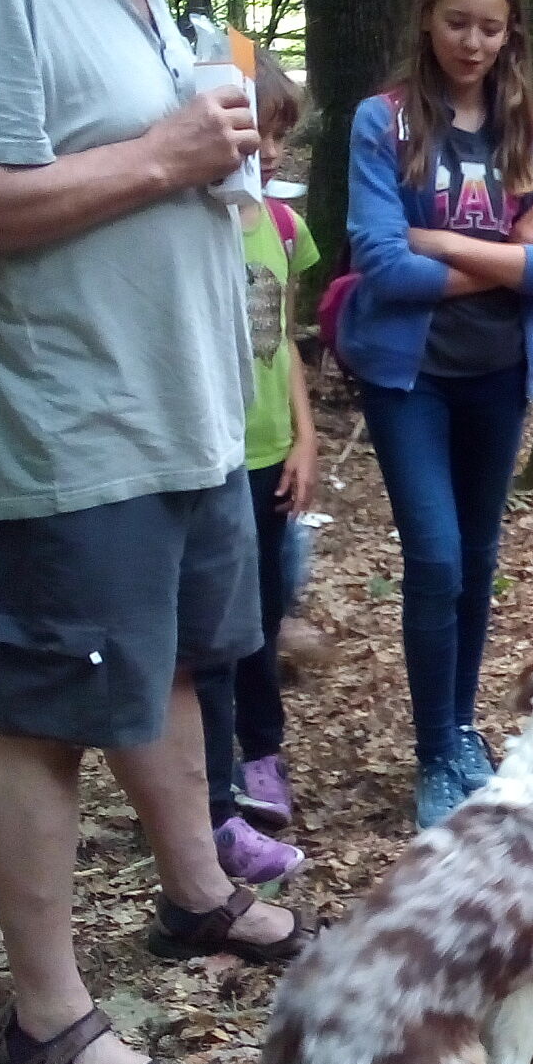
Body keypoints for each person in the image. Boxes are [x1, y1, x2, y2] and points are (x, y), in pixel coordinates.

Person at [0, 0, 313, 1064]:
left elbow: (162, 150)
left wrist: (201, 152)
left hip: (186, 404)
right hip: (75, 417)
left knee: (174, 661)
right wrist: (168, 157)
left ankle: (197, 893)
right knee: (50, 707)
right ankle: (47, 1014)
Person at [341, 0, 533, 829]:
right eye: (457, 23)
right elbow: (382, 267)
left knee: (477, 559)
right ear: (427, 19)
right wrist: (510, 256)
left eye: (490, 27)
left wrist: (442, 241)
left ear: (511, 31)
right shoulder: (385, 123)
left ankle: (458, 729)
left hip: (498, 374)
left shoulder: (531, 133)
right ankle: (434, 747)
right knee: (436, 557)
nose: (472, 43)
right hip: (412, 378)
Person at [193, 48, 318, 883]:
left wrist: (306, 438)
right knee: (216, 627)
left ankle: (263, 753)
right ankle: (212, 788)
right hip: (212, 456)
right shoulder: (193, 225)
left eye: (280, 137)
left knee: (266, 614)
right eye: (258, 134)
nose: (269, 153)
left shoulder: (282, 227)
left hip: (272, 453)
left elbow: (289, 346)